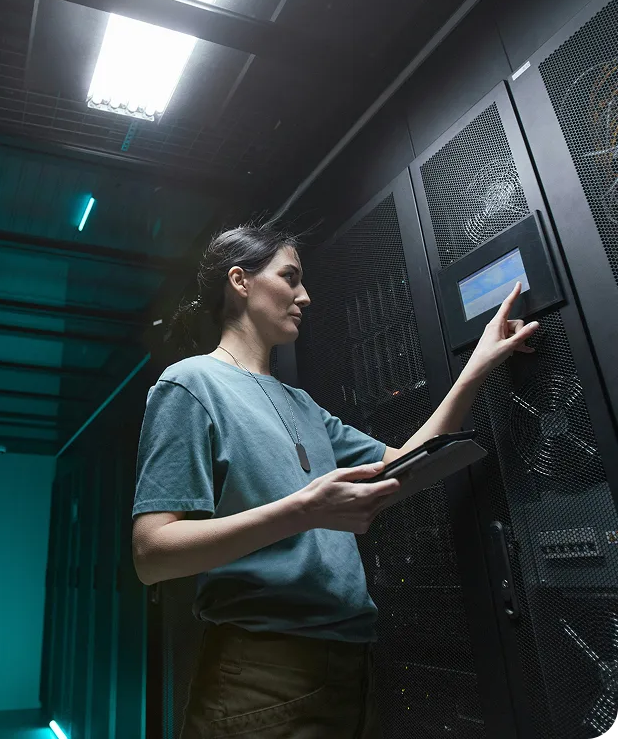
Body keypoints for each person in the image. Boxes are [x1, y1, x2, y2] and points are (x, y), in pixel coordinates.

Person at [132, 222, 539, 739]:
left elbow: (402, 466)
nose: (305, 295)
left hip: (353, 664)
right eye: (290, 277)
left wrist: (477, 365)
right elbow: (152, 554)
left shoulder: (302, 404)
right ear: (240, 281)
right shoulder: (190, 383)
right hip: (262, 672)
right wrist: (304, 510)